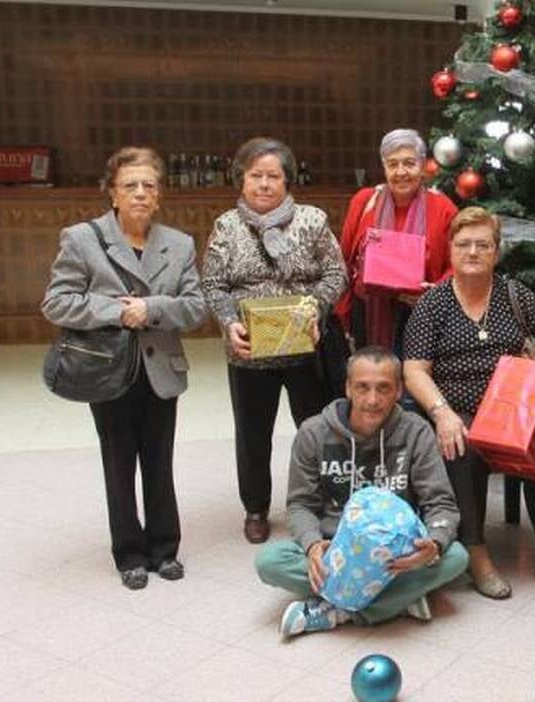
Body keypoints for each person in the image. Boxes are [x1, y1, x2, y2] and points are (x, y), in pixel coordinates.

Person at [42, 146, 208, 590]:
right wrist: (118, 312)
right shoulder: (81, 238)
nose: (139, 194)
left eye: (148, 186)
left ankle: (164, 548)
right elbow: (57, 302)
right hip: (107, 370)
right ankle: (129, 553)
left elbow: (194, 309)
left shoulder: (179, 244)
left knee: (160, 461)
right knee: (119, 463)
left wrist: (150, 308)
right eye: (129, 186)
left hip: (160, 371)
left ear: (159, 196)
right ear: (112, 193)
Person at [403, 207, 535, 602]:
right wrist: (441, 413)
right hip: (457, 407)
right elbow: (414, 370)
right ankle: (476, 553)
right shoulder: (432, 304)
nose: (473, 251)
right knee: (459, 447)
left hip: (513, 407)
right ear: (450, 250)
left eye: (483, 244)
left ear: (496, 252)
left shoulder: (514, 293)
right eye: (464, 244)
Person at [254, 346, 467, 637]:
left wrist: (434, 543)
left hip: (396, 552)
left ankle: (336, 610)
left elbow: (440, 502)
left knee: (455, 556)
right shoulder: (313, 433)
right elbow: (300, 505)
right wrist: (313, 545)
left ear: (399, 391)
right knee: (269, 562)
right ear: (347, 388)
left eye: (384, 388)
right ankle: (397, 600)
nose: (372, 400)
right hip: (336, 548)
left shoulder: (416, 432)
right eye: (362, 388)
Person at [201, 137, 347, 544]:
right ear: (241, 180)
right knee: (252, 434)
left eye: (273, 176)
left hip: (305, 350)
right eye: (255, 176)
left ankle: (319, 502)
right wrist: (230, 322)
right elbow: (213, 283)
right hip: (249, 353)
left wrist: (315, 309)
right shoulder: (227, 227)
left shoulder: (312, 220)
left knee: (316, 429)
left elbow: (336, 274)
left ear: (287, 180)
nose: (264, 184)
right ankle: (255, 509)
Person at [335, 128, 458, 352]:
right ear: (384, 168)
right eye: (392, 164)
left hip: (423, 315)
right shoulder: (364, 202)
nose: (401, 171)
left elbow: (457, 264)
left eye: (409, 163)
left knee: (413, 383)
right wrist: (343, 316)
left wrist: (435, 293)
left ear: (422, 166)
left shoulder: (442, 208)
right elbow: (343, 260)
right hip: (368, 313)